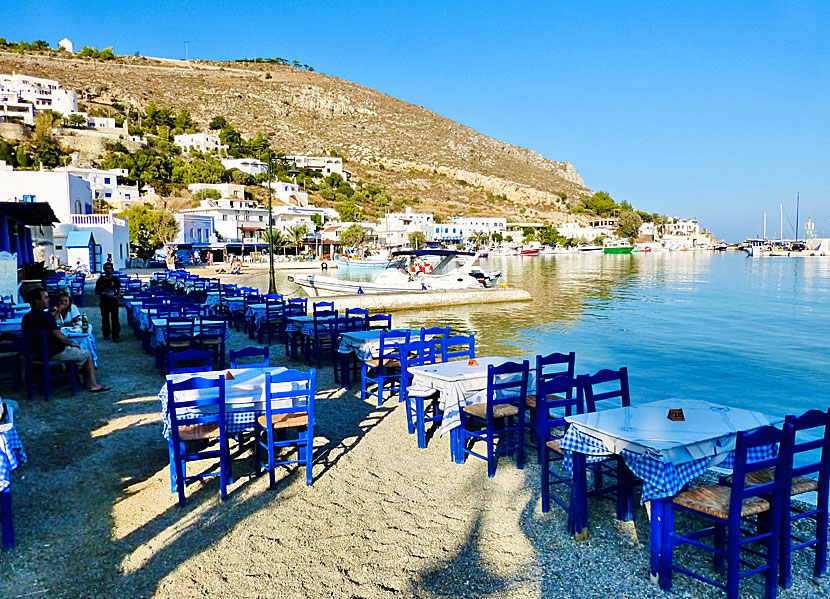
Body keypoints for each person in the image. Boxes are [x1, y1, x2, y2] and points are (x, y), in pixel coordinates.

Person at [22, 288, 109, 392]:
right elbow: (59, 336)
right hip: (52, 353)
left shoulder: (26, 318)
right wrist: (71, 343)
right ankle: (93, 384)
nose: (48, 300)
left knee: (73, 352)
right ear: (37, 301)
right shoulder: (45, 316)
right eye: (45, 298)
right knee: (87, 354)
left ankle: (69, 377)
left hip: (34, 354)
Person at [95, 262, 121, 342]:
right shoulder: (100, 280)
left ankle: (115, 335)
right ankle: (106, 334)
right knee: (105, 318)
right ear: (104, 269)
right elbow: (97, 291)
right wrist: (103, 293)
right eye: (106, 268)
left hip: (113, 301)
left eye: (109, 268)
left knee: (115, 318)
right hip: (104, 301)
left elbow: (119, 290)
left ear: (112, 269)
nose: (108, 270)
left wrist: (117, 296)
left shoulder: (115, 280)